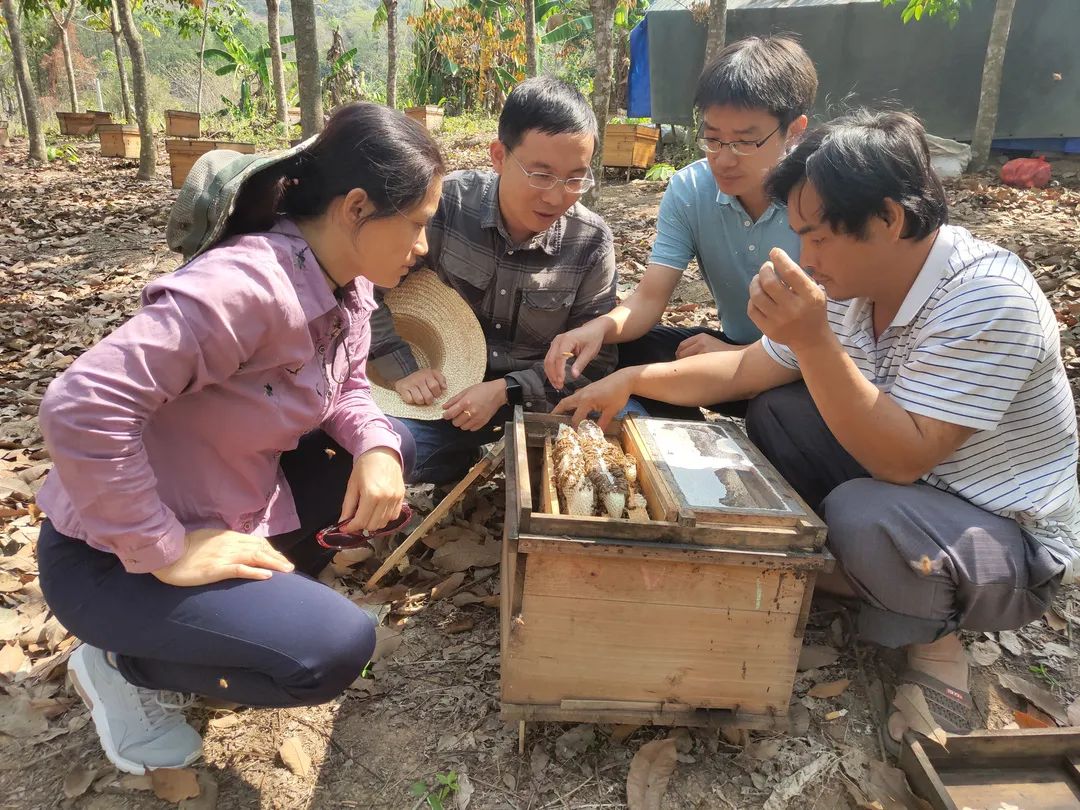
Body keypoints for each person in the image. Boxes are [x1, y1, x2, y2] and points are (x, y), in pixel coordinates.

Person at [555, 110, 1079, 749]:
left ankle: (934, 643)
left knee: (863, 515)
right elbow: (746, 370)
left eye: (820, 238)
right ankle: (844, 569)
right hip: (918, 490)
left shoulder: (989, 299)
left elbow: (903, 462)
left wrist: (812, 337)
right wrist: (633, 381)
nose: (809, 257)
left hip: (1010, 539)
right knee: (778, 409)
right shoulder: (858, 280)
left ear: (889, 219)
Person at [35, 103, 444, 775]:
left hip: (221, 504)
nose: (423, 245)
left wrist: (375, 445)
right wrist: (163, 548)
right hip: (106, 556)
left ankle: (223, 619)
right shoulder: (247, 287)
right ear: (357, 208)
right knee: (332, 650)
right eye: (419, 223)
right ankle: (120, 664)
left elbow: (345, 390)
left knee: (391, 444)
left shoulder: (350, 287)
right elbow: (83, 404)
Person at [545, 35, 818, 419]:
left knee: (774, 409)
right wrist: (599, 329)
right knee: (621, 352)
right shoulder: (691, 189)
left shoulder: (821, 200)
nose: (723, 159)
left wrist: (740, 356)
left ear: (794, 130)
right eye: (712, 139)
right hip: (728, 355)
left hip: (807, 368)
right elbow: (649, 299)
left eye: (744, 142)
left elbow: (842, 337)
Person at [368, 76, 619, 484]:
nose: (557, 197)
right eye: (541, 175)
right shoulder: (446, 206)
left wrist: (506, 389)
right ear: (499, 156)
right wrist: (401, 366)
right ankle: (453, 461)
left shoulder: (590, 242)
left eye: (575, 179)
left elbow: (596, 359)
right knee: (381, 450)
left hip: (538, 407)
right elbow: (368, 288)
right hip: (439, 406)